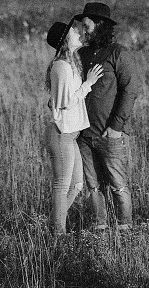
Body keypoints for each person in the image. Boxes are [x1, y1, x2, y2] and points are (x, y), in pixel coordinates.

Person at [76, 1, 138, 232]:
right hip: (83, 134)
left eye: (86, 24)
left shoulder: (118, 53)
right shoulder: (81, 54)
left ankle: (125, 229)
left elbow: (130, 89)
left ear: (100, 24)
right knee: (92, 186)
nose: (83, 29)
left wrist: (116, 126)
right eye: (82, 26)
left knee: (118, 185)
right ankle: (99, 231)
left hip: (109, 134)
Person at [44, 18, 104, 236]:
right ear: (64, 40)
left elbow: (56, 100)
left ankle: (55, 224)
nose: (78, 33)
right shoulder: (61, 66)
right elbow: (65, 102)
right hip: (61, 134)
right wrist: (88, 84)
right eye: (73, 31)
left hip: (70, 135)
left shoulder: (70, 64)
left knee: (76, 185)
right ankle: (58, 233)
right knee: (62, 185)